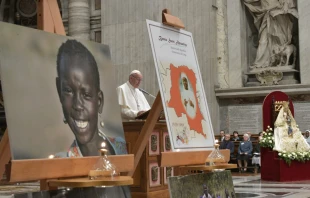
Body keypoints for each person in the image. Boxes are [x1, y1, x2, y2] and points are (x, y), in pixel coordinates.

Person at [55, 39, 130, 197]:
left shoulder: (120, 148)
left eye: (86, 94)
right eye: (68, 90)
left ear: (99, 101)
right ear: (58, 91)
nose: (77, 105)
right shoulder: (60, 165)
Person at [243, 0, 298, 69]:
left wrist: (286, 3)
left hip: (279, 16)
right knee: (263, 41)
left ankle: (280, 61)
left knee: (280, 39)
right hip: (267, 17)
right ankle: (259, 63)